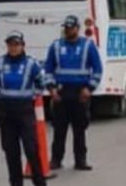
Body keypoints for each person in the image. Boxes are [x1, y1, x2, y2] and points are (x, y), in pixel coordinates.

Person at [0, 31, 50, 186]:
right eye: (10, 44)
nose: (13, 48)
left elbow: (41, 82)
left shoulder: (31, 64)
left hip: (25, 110)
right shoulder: (0, 62)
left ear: (22, 46)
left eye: (16, 44)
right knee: (10, 150)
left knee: (31, 149)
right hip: (6, 111)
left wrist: (32, 96)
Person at [43, 15, 103, 170]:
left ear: (78, 28)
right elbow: (48, 69)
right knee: (59, 129)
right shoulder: (56, 46)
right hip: (61, 93)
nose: (69, 30)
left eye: (72, 27)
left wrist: (89, 88)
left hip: (80, 93)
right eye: (67, 28)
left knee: (79, 130)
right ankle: (56, 160)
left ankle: (80, 160)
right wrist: (51, 88)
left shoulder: (88, 46)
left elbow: (97, 69)